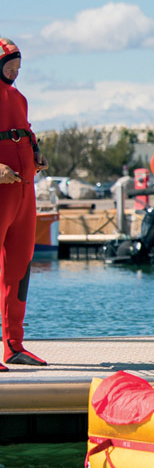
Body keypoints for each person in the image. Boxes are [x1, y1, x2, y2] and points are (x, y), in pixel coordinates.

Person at [0, 38, 48, 369]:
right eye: (9, 63)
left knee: (20, 265)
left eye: (18, 64)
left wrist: (36, 153)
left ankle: (13, 346)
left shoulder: (19, 97)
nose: (16, 70)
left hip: (24, 191)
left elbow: (25, 131)